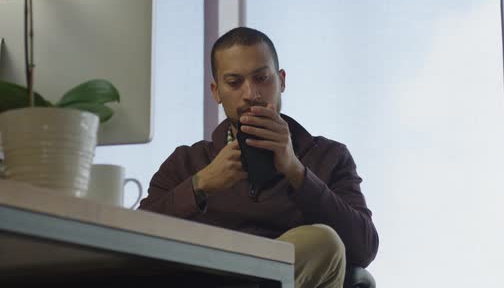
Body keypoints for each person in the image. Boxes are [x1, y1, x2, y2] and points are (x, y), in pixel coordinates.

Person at [139, 27, 379, 288]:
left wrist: (297, 171)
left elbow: (363, 249)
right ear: (216, 91)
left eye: (262, 78)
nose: (251, 93)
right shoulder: (187, 162)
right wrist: (200, 185)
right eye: (234, 82)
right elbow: (136, 240)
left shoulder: (329, 156)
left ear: (282, 81)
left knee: (321, 241)